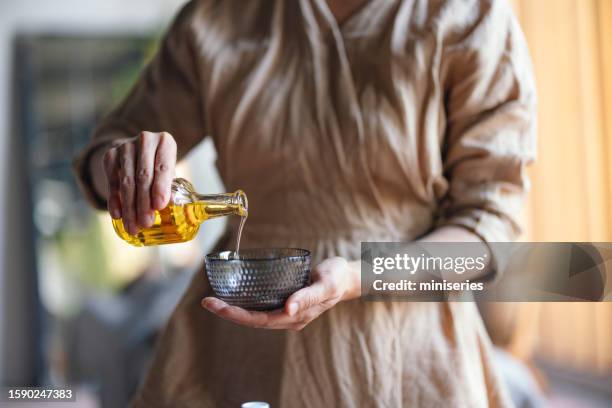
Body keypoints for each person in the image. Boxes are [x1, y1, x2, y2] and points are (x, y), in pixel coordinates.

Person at [73, 0, 536, 406]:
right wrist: (120, 166)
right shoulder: (215, 17)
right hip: (238, 351)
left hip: (407, 356)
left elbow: (488, 229)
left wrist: (355, 276)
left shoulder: (469, 15)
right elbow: (101, 156)